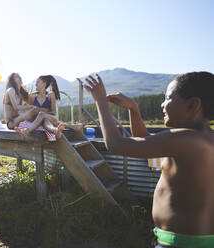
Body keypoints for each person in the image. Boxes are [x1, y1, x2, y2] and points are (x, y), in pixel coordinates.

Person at [83, 72, 214, 248]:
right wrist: (134, 109)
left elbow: (116, 144)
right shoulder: (202, 138)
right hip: (192, 240)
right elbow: (144, 139)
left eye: (168, 98)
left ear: (193, 104)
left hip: (179, 243)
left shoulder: (186, 138)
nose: (162, 104)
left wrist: (100, 101)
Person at [15, 75, 83, 139]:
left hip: (50, 117)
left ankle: (26, 131)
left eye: (38, 82)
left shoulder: (50, 95)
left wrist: (41, 111)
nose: (36, 84)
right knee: (44, 119)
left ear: (44, 84)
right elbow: (29, 106)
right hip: (39, 120)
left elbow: (53, 112)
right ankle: (58, 131)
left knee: (42, 115)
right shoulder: (33, 95)